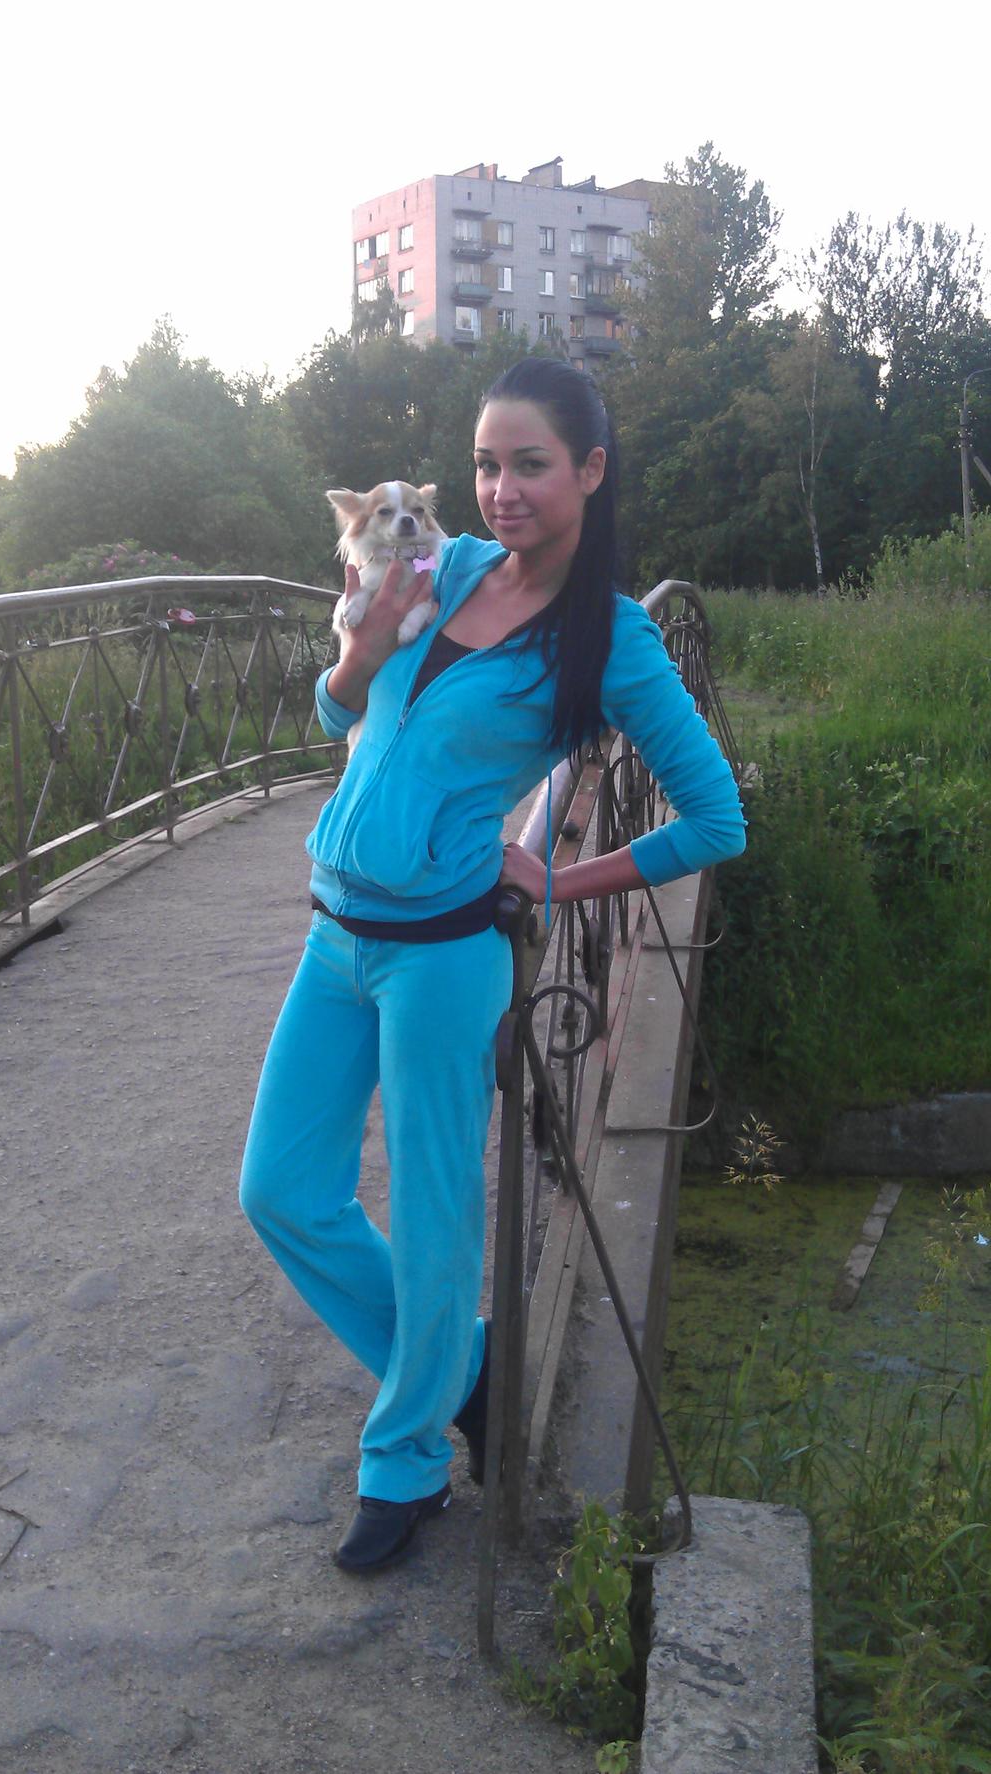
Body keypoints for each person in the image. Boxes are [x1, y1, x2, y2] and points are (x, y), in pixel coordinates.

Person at [239, 357, 746, 1575]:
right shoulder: (441, 565)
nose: (501, 489)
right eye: (483, 464)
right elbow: (337, 716)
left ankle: (405, 1456)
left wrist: (556, 879)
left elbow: (714, 819)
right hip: (334, 931)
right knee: (281, 1191)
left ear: (589, 470)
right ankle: (464, 1370)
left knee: (432, 1222)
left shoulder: (610, 639)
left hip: (444, 955)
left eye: (529, 464)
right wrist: (358, 650)